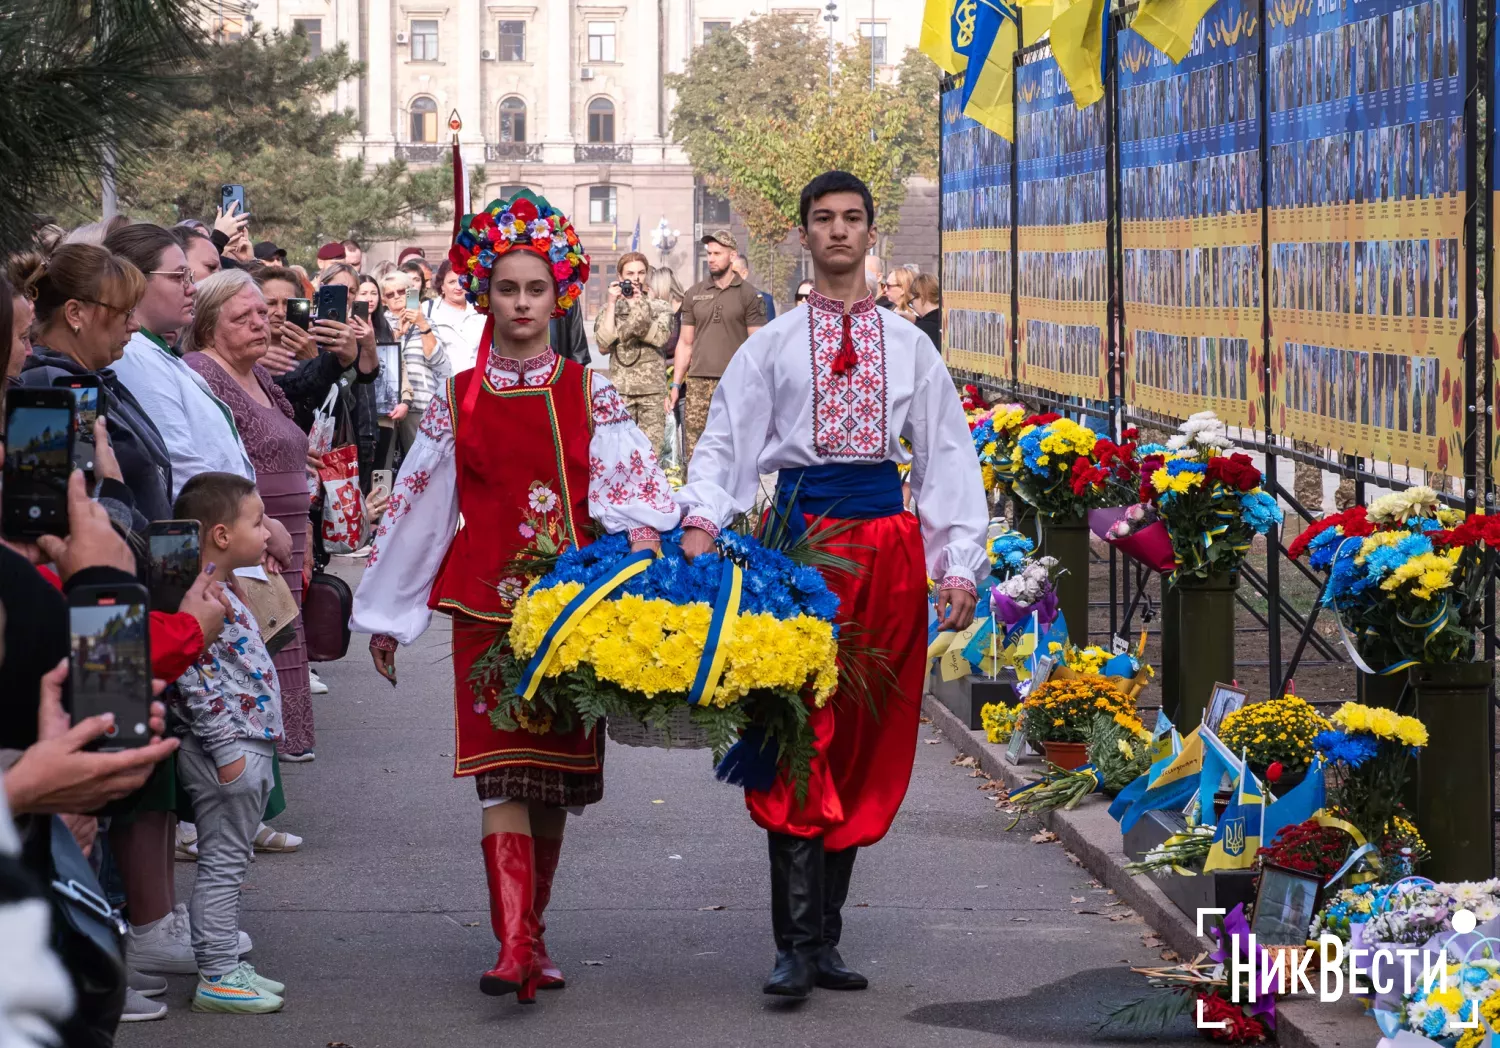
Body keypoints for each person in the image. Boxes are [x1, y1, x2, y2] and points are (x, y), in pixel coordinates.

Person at [350, 190, 679, 1003]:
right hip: (486, 611)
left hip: (576, 617)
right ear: (486, 294)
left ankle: (534, 932)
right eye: (507, 289)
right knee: (500, 776)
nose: (523, 304)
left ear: (557, 293)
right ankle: (510, 945)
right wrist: (389, 614)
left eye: (536, 290)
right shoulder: (459, 396)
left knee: (554, 781)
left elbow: (634, 497)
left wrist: (645, 550)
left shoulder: (590, 390)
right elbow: (420, 509)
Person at [674, 171, 985, 998]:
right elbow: (726, 442)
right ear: (804, 236)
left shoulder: (911, 345)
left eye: (852, 219)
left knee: (863, 734)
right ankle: (792, 945)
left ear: (869, 231)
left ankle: (826, 939)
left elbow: (947, 453)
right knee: (797, 732)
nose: (839, 231)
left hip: (888, 551)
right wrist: (703, 521)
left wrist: (957, 560)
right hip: (802, 552)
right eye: (824, 219)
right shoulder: (769, 345)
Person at [183, 271, 317, 763]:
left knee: (280, 631)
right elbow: (216, 462)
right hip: (249, 535)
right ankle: (252, 769)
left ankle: (275, 754)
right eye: (244, 317)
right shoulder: (203, 371)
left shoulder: (259, 373)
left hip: (282, 534)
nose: (262, 323)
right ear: (207, 325)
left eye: (263, 313)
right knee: (258, 644)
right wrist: (259, 532)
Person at [170, 471, 288, 1014]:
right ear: (221, 534)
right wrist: (227, 753)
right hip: (230, 750)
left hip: (244, 746)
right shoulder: (201, 600)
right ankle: (216, 974)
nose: (267, 531)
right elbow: (194, 680)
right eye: (257, 521)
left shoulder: (218, 590)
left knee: (231, 863)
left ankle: (224, 963)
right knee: (222, 865)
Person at [11, 246, 176, 524]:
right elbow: (75, 510)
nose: (134, 325)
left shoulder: (92, 381)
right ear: (75, 313)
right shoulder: (54, 389)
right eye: (125, 312)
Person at [666, 229, 766, 462]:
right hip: (698, 383)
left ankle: (734, 498)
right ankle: (695, 497)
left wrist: (755, 388)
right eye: (709, 253)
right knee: (694, 450)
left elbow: (758, 346)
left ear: (732, 256)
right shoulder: (694, 294)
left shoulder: (749, 295)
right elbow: (685, 343)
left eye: (717, 253)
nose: (711, 258)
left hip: (734, 383)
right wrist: (675, 384)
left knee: (734, 449)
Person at [254, 265, 355, 432]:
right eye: (270, 303)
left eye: (288, 303)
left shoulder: (318, 347)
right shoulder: (247, 353)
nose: (280, 312)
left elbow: (336, 408)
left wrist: (312, 359)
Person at [594, 251, 674, 452]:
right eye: (629, 273)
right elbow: (603, 344)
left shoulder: (660, 307)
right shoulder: (608, 309)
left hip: (652, 393)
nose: (635, 279)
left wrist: (637, 307)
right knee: (620, 454)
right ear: (620, 277)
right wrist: (612, 304)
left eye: (641, 272)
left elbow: (660, 338)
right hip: (621, 391)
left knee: (650, 455)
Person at [387, 270, 447, 454]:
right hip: (388, 405)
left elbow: (437, 360)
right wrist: (397, 334)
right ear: (384, 300)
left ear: (410, 293)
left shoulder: (426, 322)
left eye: (401, 291)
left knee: (420, 465)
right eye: (390, 294)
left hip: (420, 404)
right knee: (386, 467)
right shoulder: (381, 323)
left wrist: (421, 324)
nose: (396, 297)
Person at [424, 259, 487, 374]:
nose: (458, 287)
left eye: (462, 281)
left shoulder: (481, 310)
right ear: (442, 286)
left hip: (478, 382)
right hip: (444, 384)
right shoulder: (428, 310)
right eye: (452, 282)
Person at [731, 256, 776, 322]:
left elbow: (768, 330)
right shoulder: (719, 299)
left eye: (733, 272)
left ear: (744, 274)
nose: (728, 276)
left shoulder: (764, 300)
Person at [911, 272, 942, 348]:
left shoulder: (919, 330)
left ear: (920, 297)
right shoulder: (949, 322)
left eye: (912, 301)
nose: (913, 305)